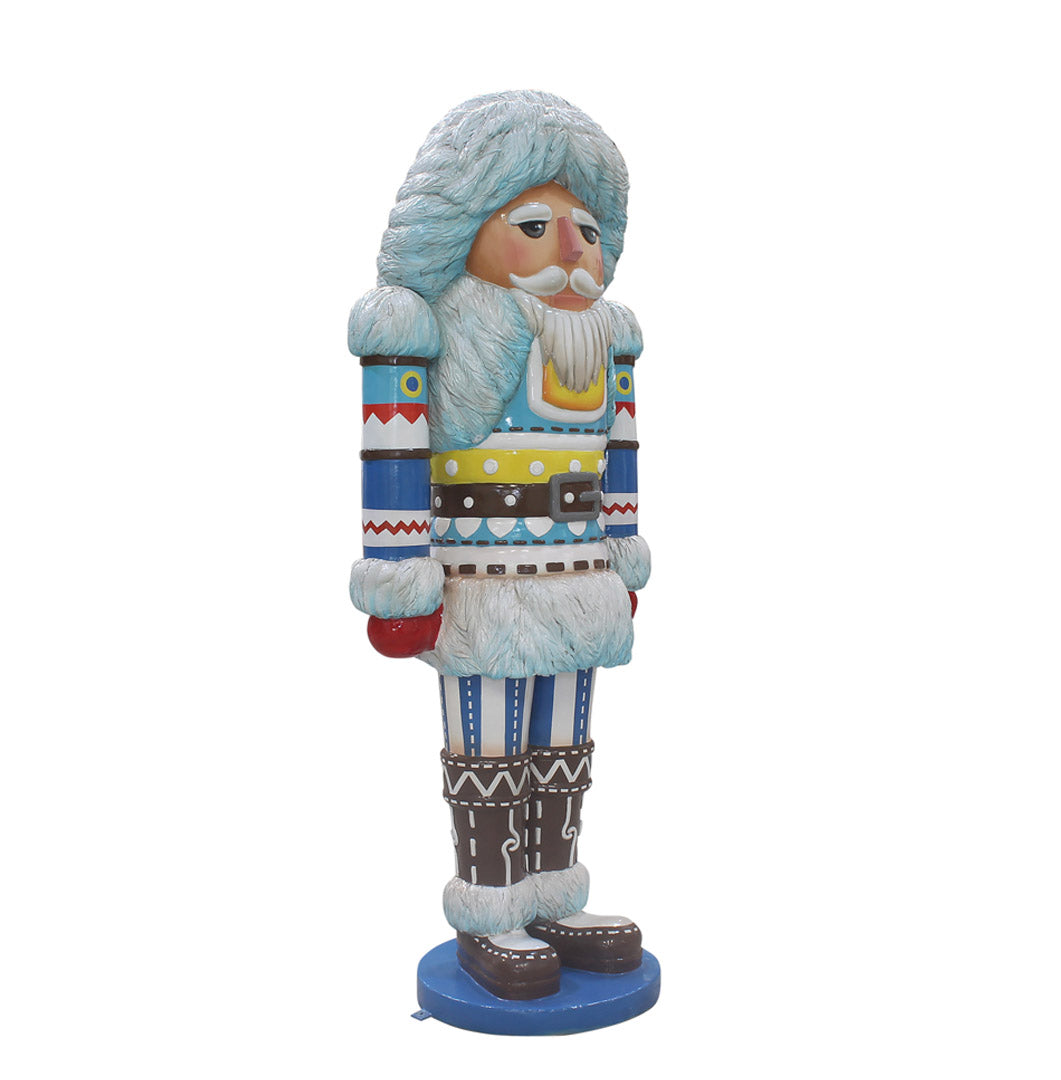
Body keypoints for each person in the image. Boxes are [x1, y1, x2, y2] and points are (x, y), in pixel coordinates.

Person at [348, 91, 650, 1000]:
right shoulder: (423, 331)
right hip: (480, 577)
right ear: (464, 227)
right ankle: (490, 909)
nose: (572, 247)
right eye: (533, 224)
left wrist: (624, 547)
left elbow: (622, 455)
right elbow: (394, 450)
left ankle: (552, 891)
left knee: (563, 733)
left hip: (580, 575)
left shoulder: (609, 339)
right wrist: (398, 567)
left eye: (588, 230)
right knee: (487, 744)